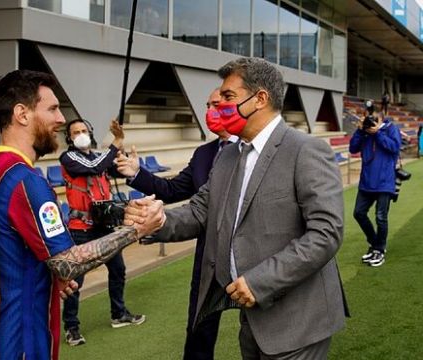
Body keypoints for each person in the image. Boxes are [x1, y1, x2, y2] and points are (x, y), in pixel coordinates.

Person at [126, 57, 347, 359]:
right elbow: (200, 211)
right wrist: (159, 220)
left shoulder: (306, 150)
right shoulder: (227, 156)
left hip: (299, 322)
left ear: (260, 99)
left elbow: (326, 233)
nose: (220, 107)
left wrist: (260, 281)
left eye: (229, 97)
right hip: (252, 322)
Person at [0, 69, 163, 360]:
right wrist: (136, 230)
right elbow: (67, 264)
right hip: (17, 342)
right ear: (22, 114)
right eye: (53, 108)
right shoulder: (25, 181)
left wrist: (50, 280)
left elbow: (4, 249)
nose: (61, 119)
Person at [115, 88, 237, 359]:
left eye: (217, 104)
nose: (210, 111)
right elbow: (171, 190)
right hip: (209, 257)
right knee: (199, 332)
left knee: (258, 331)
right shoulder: (204, 154)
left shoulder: (252, 149)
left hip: (250, 256)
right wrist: (137, 173)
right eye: (207, 105)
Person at [59, 118, 145, 346]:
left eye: (84, 130)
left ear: (90, 132)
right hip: (80, 229)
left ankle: (119, 314)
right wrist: (116, 140)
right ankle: (72, 327)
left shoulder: (98, 156)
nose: (80, 134)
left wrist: (124, 157)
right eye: (75, 132)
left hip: (104, 226)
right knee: (75, 281)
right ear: (69, 138)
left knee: (118, 270)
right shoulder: (68, 158)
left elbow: (114, 170)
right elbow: (95, 167)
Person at [349, 100, 401, 267]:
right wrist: (359, 130)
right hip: (366, 182)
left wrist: (378, 133)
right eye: (368, 117)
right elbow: (352, 148)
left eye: (374, 118)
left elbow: (394, 147)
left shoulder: (391, 129)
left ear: (381, 117)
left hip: (385, 182)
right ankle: (375, 243)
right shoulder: (364, 132)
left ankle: (380, 249)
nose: (371, 120)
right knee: (358, 213)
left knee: (381, 217)